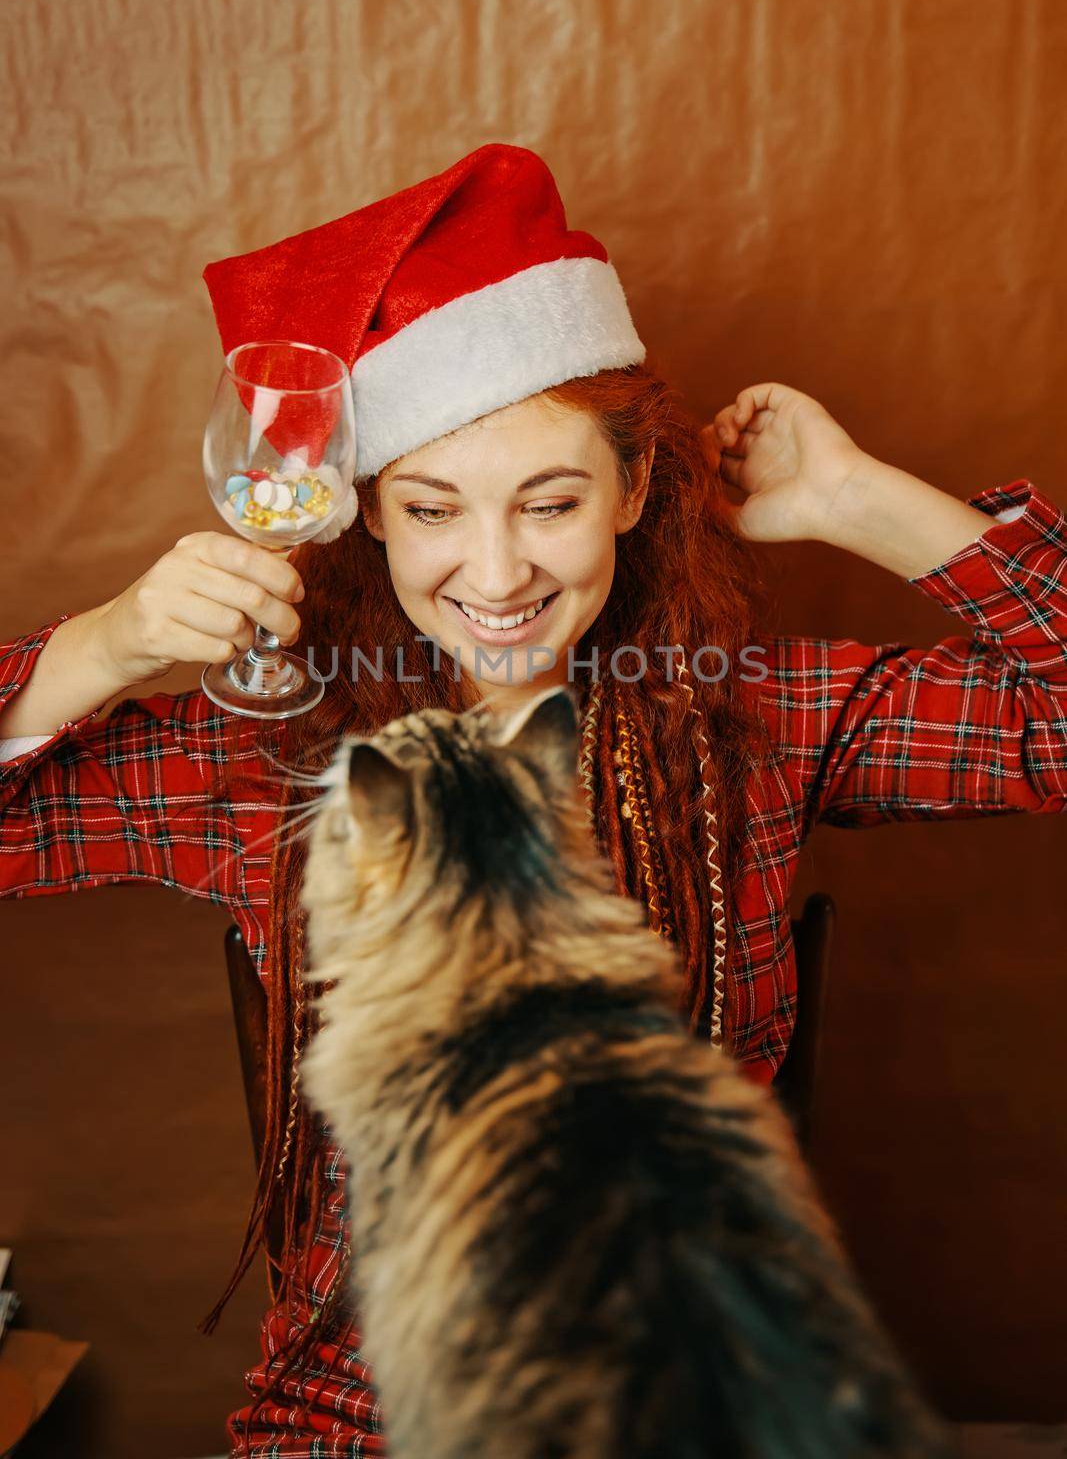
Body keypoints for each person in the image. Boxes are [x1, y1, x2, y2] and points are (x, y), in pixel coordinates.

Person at [1, 141, 1064, 1458]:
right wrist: (100, 649)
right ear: (370, 519)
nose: (494, 570)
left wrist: (865, 502)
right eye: (435, 508)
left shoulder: (751, 723)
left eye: (549, 502)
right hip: (369, 1409)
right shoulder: (277, 758)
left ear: (632, 491)